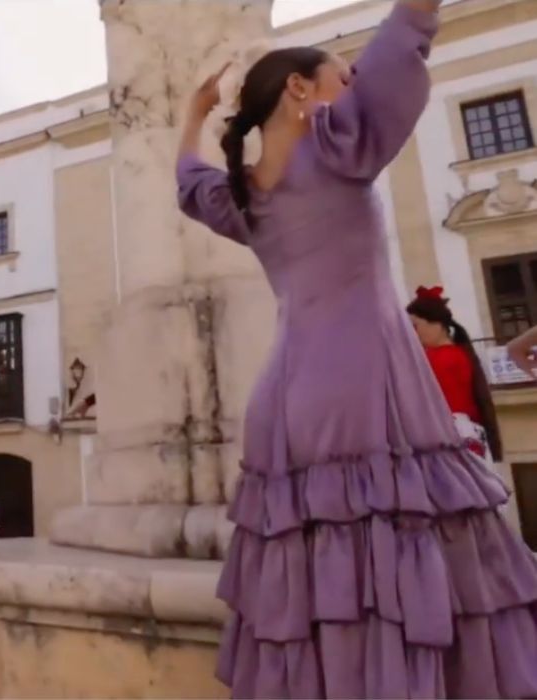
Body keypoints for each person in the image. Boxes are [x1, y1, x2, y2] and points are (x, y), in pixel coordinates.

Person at [175, 0, 537, 696]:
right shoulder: (338, 145)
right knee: (405, 560)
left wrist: (193, 116)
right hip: (369, 381)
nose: (351, 84)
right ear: (299, 90)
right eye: (340, 75)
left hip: (286, 399)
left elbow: (188, 185)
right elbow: (404, 39)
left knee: (315, 578)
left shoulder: (245, 195)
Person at [406, 285, 502, 461]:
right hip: (466, 437)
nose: (412, 333)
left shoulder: (439, 359)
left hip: (447, 439)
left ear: (437, 324)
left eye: (415, 326)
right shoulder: (459, 354)